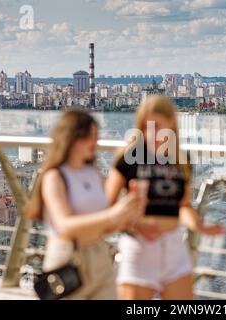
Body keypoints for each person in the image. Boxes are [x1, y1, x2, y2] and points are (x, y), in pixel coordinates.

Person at [105, 95, 225, 300]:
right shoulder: (128, 157)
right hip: (139, 248)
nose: (150, 133)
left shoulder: (181, 159)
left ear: (171, 122)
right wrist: (134, 224)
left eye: (156, 126)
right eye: (145, 127)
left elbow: (183, 206)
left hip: (174, 248)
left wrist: (199, 225)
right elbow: (106, 208)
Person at [24, 110, 145, 300]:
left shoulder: (94, 174)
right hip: (68, 260)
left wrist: (128, 212)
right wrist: (114, 214)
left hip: (100, 257)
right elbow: (65, 226)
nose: (95, 143)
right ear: (73, 138)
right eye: (91, 136)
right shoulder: (55, 177)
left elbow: (105, 223)